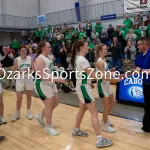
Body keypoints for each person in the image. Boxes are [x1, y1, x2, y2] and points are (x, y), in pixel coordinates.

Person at [71, 40, 113, 148]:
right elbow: (94, 75)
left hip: (82, 86)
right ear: (81, 48)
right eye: (86, 45)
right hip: (84, 88)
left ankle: (76, 130)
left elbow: (84, 75)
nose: (88, 47)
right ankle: (99, 139)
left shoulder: (78, 59)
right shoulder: (83, 60)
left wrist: (89, 82)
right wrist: (110, 77)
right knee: (94, 112)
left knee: (82, 109)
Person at [34, 41, 66, 136]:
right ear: (43, 48)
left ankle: (41, 115)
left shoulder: (49, 57)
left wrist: (57, 70)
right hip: (42, 84)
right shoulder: (39, 59)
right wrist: (57, 79)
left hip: (51, 82)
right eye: (48, 46)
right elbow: (42, 76)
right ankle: (48, 127)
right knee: (49, 105)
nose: (50, 48)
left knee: (56, 102)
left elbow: (49, 70)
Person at [95, 44, 116, 133]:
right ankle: (105, 125)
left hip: (106, 85)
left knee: (112, 103)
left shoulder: (103, 60)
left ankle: (105, 118)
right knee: (106, 106)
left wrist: (110, 71)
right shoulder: (100, 62)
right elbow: (103, 77)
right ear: (100, 51)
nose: (106, 50)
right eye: (105, 49)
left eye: (106, 49)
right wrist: (114, 76)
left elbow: (105, 73)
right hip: (102, 85)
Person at [12, 46, 35, 122]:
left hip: (29, 78)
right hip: (20, 78)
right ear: (19, 51)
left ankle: (28, 112)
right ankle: (17, 113)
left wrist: (30, 71)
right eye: (22, 50)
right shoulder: (16, 59)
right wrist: (21, 72)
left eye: (25, 50)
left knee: (29, 97)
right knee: (19, 98)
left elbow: (33, 69)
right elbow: (15, 70)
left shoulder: (30, 59)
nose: (24, 52)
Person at [135, 37, 150, 134]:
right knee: (147, 106)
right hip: (146, 84)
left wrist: (141, 70)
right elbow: (138, 67)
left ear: (144, 44)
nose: (138, 46)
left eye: (139, 44)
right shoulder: (140, 55)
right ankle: (147, 127)